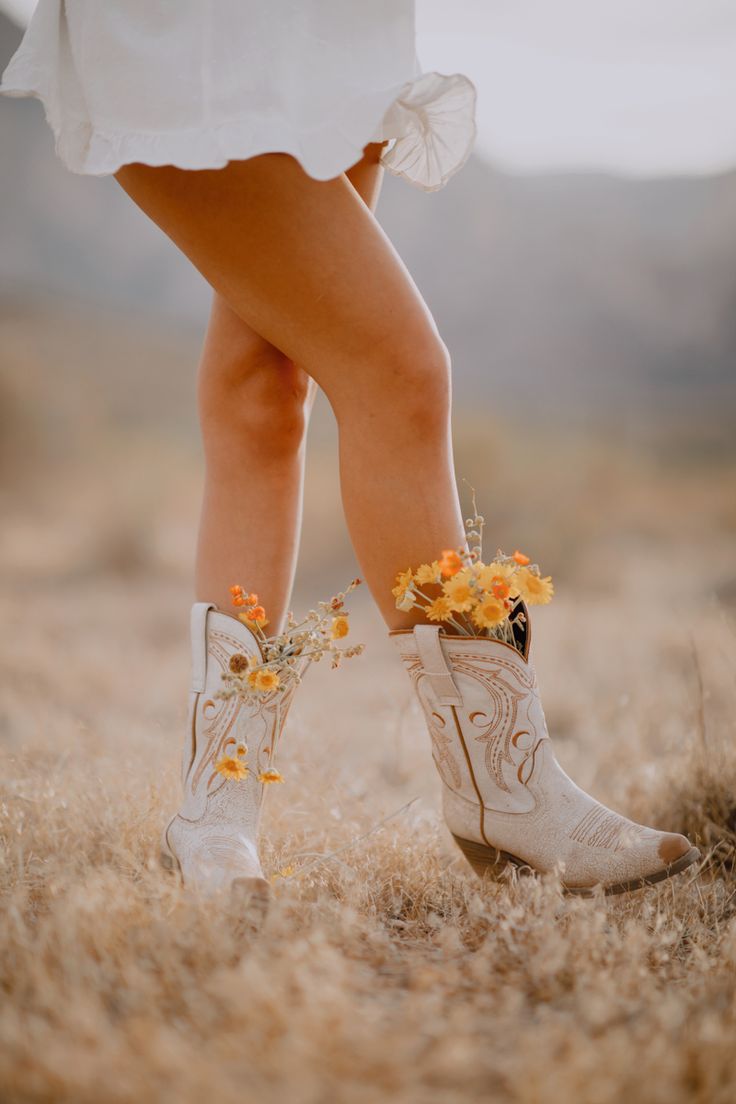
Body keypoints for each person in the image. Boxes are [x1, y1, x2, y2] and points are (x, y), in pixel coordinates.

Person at [1, 1, 699, 902]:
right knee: (400, 369)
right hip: (189, 27)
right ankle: (504, 791)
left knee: (264, 389)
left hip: (318, 31)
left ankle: (212, 813)